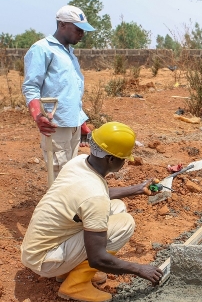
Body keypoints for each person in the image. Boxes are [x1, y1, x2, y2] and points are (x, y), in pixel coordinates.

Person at [21, 122, 163, 301]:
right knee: (124, 224)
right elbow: (98, 259)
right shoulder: (95, 196)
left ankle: (70, 270)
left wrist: (138, 188)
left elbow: (93, 197)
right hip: (46, 261)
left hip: (38, 248)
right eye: (123, 158)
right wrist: (140, 269)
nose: (125, 162)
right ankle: (75, 285)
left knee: (117, 207)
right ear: (111, 160)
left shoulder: (79, 162)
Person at [22, 5, 94, 183]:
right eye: (78, 29)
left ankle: (70, 210)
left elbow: (69, 92)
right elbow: (31, 86)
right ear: (62, 25)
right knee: (59, 177)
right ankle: (57, 211)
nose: (81, 34)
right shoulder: (42, 49)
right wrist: (38, 115)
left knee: (70, 174)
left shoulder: (69, 52)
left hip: (73, 124)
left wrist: (81, 122)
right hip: (55, 125)